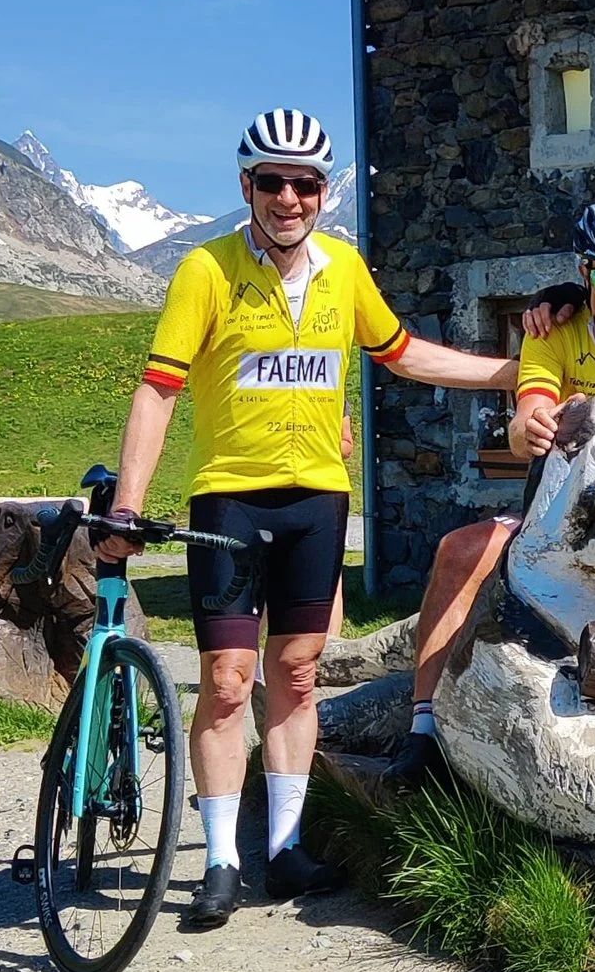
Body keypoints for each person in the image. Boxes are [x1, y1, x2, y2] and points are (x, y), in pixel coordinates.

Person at [104, 110, 519, 927]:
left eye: (305, 185)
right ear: (246, 187)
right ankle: (221, 858)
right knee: (227, 682)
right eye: (272, 183)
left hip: (317, 501)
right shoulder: (207, 270)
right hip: (229, 495)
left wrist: (514, 371)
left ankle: (286, 848)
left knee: (295, 676)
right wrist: (128, 500)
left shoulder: (343, 268)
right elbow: (158, 389)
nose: (289, 199)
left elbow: (402, 352)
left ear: (325, 194)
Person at [385, 197, 595, 787]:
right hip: (566, 525)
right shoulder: (553, 333)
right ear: (585, 274)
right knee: (460, 551)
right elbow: (528, 415)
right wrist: (528, 426)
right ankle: (425, 727)